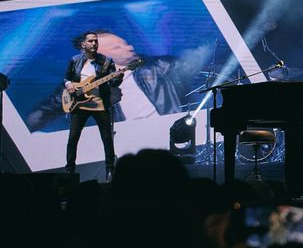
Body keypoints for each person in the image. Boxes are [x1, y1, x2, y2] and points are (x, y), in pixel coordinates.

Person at [27, 29, 200, 131]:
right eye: (118, 47)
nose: (130, 47)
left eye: (125, 43)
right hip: (123, 144)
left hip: (168, 132)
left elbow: (203, 74)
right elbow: (43, 113)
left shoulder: (159, 65)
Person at [62, 31, 124, 178]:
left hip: (99, 104)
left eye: (95, 41)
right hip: (79, 104)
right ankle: (69, 170)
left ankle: (110, 169)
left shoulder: (106, 62)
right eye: (90, 41)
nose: (94, 43)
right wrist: (69, 84)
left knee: (107, 138)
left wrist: (119, 77)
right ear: (83, 44)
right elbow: (66, 77)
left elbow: (113, 82)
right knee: (73, 138)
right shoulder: (75, 60)